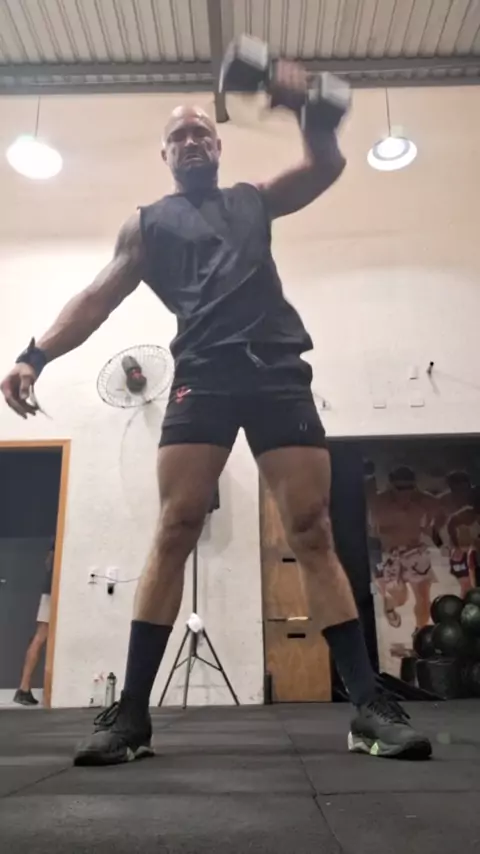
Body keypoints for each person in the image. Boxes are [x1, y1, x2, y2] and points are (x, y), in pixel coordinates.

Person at [1, 61, 431, 763]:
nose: (192, 142)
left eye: (201, 132)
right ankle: (132, 716)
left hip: (277, 370)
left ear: (219, 146)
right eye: (179, 137)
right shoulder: (148, 225)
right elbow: (97, 297)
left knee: (312, 529)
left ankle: (368, 709)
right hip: (202, 372)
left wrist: (311, 114)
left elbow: (325, 166)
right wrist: (34, 354)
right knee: (175, 526)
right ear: (165, 155)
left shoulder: (252, 200)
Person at [368, 466, 438, 634]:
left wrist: (443, 543)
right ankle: (389, 604)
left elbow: (435, 524)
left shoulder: (425, 501)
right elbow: (371, 533)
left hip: (416, 552)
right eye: (400, 487)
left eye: (409, 487)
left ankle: (419, 633)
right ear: (391, 485)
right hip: (390, 555)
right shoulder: (378, 503)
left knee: (424, 598)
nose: (405, 492)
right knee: (400, 599)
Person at [13, 538, 55, 706]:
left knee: (40, 637)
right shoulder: (62, 539)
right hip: (54, 592)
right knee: (40, 637)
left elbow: (48, 562)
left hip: (50, 590)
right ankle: (23, 688)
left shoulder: (55, 543)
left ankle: (23, 688)